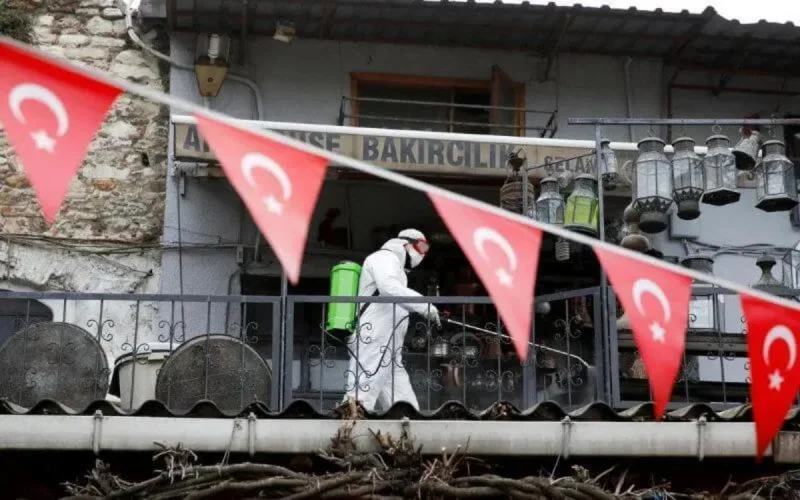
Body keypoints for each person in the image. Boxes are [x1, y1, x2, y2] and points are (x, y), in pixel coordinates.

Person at [344, 228, 440, 411]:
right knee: (359, 398)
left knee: (405, 408)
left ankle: (407, 435)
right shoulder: (384, 258)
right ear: (405, 243)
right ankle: (347, 435)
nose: (422, 254)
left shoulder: (396, 269)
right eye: (421, 247)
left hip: (390, 349)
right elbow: (388, 287)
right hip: (373, 339)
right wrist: (424, 305)